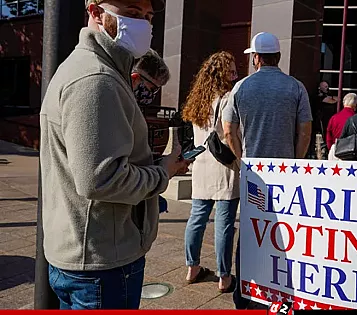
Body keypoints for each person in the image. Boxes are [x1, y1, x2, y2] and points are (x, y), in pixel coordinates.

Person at [39, 0, 190, 309]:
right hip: (101, 263)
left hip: (88, 256)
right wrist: (164, 172)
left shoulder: (96, 71)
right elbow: (102, 179)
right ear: (95, 12)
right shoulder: (97, 80)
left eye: (148, 17)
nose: (145, 25)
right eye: (132, 14)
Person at [222, 31, 313, 309]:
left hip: (254, 173)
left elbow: (228, 130)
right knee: (283, 231)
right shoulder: (296, 87)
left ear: (256, 58)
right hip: (285, 172)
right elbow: (305, 132)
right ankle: (282, 290)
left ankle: (245, 292)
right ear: (279, 57)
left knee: (250, 230)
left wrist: (241, 161)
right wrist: (293, 163)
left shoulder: (241, 88)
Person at [181, 51, 240, 293]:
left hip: (202, 166)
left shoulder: (199, 99)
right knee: (223, 223)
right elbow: (230, 132)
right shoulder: (228, 98)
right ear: (224, 72)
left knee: (197, 219)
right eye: (233, 68)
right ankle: (224, 276)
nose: (236, 72)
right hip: (224, 166)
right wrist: (240, 157)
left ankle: (191, 267)